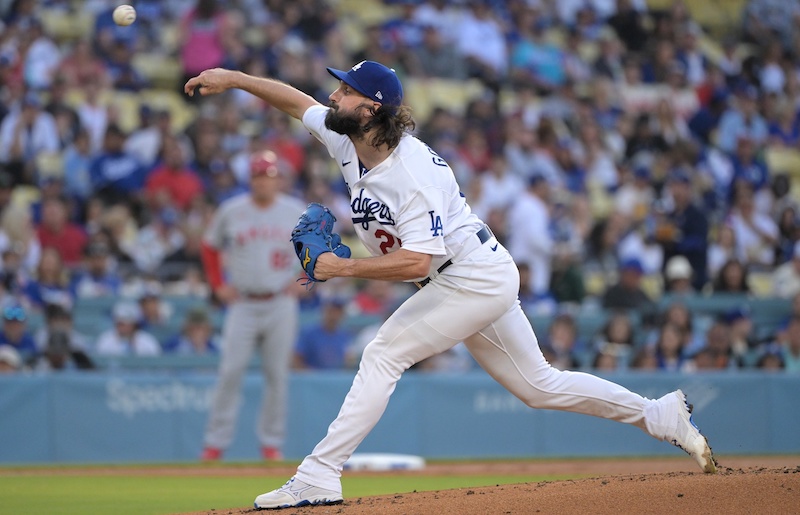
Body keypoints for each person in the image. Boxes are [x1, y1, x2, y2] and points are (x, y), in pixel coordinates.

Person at [185, 59, 717, 510]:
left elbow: (418, 262)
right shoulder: (350, 136)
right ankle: (657, 413)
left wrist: (341, 269)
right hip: (470, 275)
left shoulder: (408, 172)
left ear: (370, 109)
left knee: (383, 354)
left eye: (344, 90)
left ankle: (319, 475)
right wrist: (234, 78)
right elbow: (295, 101)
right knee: (538, 386)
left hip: (468, 277)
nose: (333, 95)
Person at [198, 150, 305, 463]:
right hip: (243, 302)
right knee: (230, 371)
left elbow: (318, 247)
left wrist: (304, 279)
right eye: (258, 176)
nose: (263, 182)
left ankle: (271, 444)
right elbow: (208, 246)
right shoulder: (232, 210)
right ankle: (215, 444)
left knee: (277, 375)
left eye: (268, 176)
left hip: (280, 302)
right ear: (251, 179)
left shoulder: (294, 211)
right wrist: (218, 284)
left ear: (277, 180)